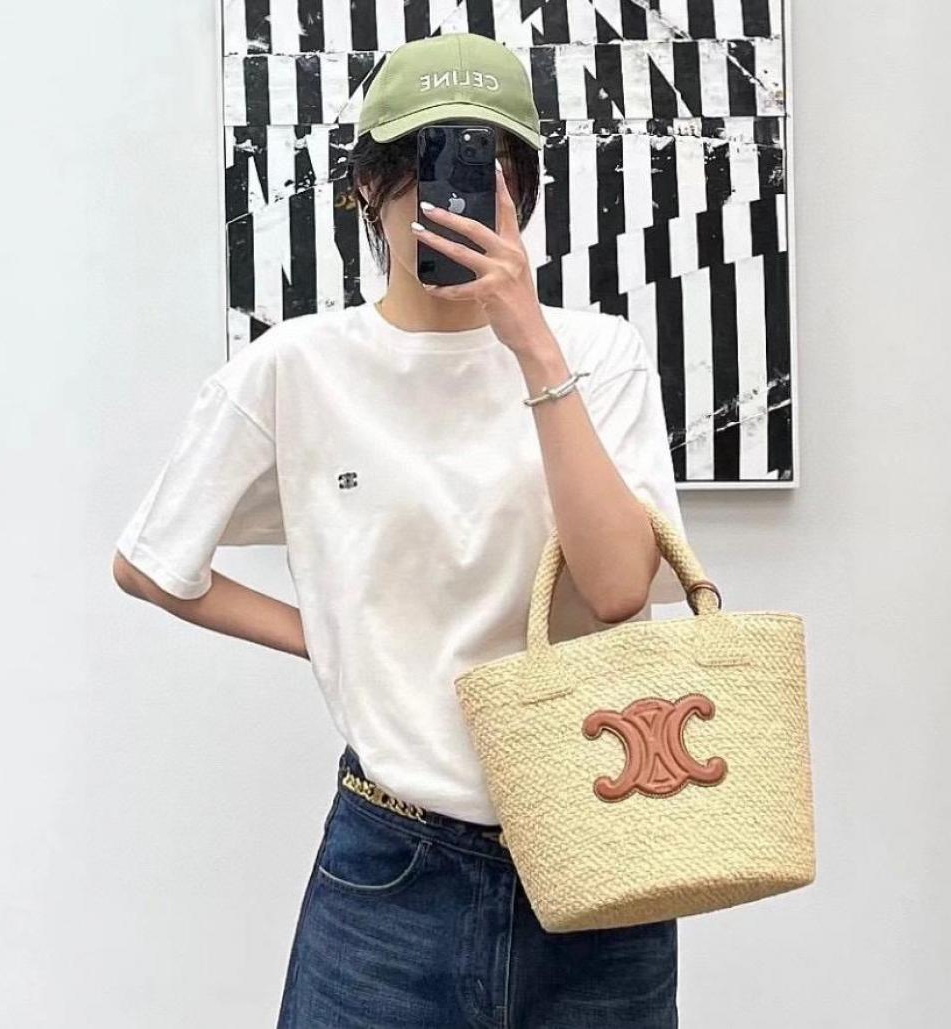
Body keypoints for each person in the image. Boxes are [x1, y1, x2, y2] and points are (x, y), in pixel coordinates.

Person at [113, 31, 684, 1029]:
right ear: (368, 186)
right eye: (425, 165)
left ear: (522, 188)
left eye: (487, 165)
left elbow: (618, 588)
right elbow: (153, 563)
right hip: (394, 865)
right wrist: (331, 636)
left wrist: (531, 344)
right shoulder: (300, 367)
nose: (453, 196)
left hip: (601, 843)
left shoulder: (599, 353)